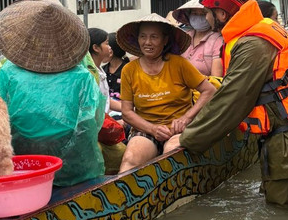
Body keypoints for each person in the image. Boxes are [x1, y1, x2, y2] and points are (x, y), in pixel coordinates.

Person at [181, 0, 288, 207]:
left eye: (207, 13)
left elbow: (230, 102)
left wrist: (187, 139)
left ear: (221, 13)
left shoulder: (253, 44)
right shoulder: (262, 30)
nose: (205, 18)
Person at [0, 0, 105, 187]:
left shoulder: (7, 72)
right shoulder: (82, 75)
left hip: (22, 165)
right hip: (75, 168)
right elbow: (93, 122)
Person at [117, 14, 216, 173]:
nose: (147, 42)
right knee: (131, 158)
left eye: (154, 37)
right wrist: (152, 129)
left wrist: (186, 118)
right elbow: (127, 113)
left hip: (178, 129)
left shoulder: (179, 64)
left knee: (172, 153)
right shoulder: (129, 70)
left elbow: (209, 91)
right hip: (146, 129)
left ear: (165, 40)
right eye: (143, 37)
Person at [88, 28, 126, 173]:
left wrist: (127, 109)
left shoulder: (99, 71)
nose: (110, 47)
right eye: (106, 43)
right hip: (98, 131)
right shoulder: (90, 75)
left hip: (105, 127)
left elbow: (105, 100)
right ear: (96, 48)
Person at [172, 0, 224, 78]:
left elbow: (216, 79)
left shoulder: (218, 41)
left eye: (203, 13)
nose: (198, 17)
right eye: (195, 13)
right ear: (189, 15)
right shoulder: (183, 36)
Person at [102, 32, 128, 121]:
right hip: (105, 113)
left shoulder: (128, 70)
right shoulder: (102, 71)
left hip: (125, 113)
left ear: (111, 51)